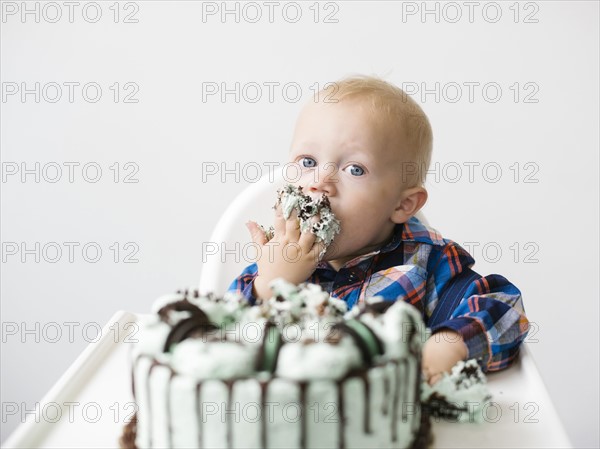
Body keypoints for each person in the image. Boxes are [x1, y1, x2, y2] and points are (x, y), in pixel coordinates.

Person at [227, 75, 529, 385]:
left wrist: (449, 347)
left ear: (402, 205)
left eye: (355, 169)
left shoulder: (425, 265)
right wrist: (270, 286)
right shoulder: (276, 259)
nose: (319, 181)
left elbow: (507, 311)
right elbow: (222, 340)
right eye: (307, 161)